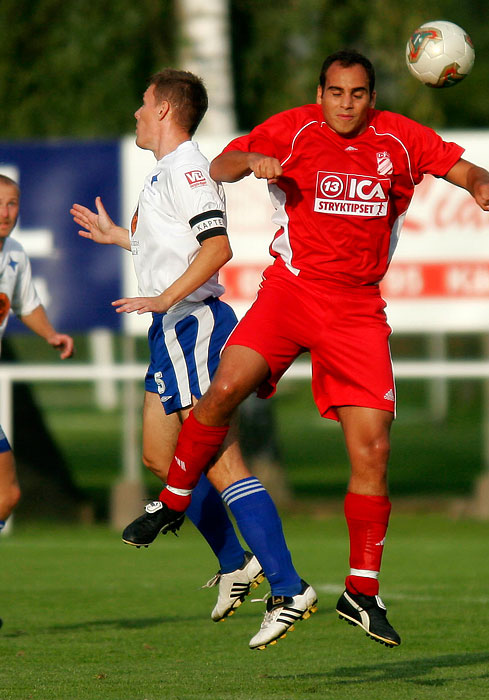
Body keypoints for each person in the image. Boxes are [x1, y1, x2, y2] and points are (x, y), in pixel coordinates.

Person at [122, 50, 489, 648]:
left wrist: (481, 184)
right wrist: (251, 159)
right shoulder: (296, 126)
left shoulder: (400, 138)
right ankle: (173, 501)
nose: (346, 103)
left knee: (373, 449)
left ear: (370, 96)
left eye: (357, 93)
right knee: (221, 391)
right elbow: (219, 165)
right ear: (320, 92)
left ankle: (362, 592)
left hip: (356, 310)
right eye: (335, 92)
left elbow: (459, 167)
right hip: (291, 293)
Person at [70, 69, 316, 649]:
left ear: (163, 111)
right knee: (160, 456)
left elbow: (218, 247)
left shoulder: (186, 168)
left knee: (223, 463)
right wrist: (124, 241)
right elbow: (180, 244)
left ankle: (288, 585)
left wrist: (164, 297)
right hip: (170, 328)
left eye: (143, 102)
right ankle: (237, 563)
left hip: (194, 326)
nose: (135, 112)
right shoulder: (168, 170)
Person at [0, 174, 75, 628]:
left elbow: (26, 303)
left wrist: (50, 334)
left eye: (14, 202)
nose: (7, 211)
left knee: (7, 495)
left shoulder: (13, 255)